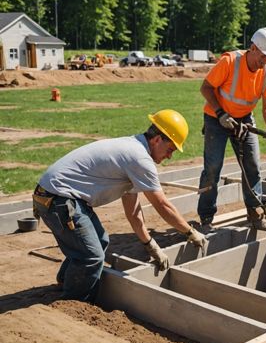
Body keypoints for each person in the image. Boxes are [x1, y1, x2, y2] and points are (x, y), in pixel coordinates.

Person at [32, 109, 207, 302]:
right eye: (170, 149)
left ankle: (66, 282)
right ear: (157, 139)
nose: (170, 156)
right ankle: (72, 304)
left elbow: (133, 212)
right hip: (59, 199)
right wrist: (190, 232)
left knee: (100, 241)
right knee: (92, 257)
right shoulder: (140, 159)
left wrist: (150, 245)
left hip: (58, 196)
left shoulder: (133, 150)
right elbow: (162, 205)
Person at [197, 27, 266, 231]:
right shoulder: (229, 62)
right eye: (263, 56)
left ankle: (256, 214)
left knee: (252, 165)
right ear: (252, 48)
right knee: (213, 168)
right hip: (216, 118)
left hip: (244, 120)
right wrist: (220, 113)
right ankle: (206, 218)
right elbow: (205, 88)